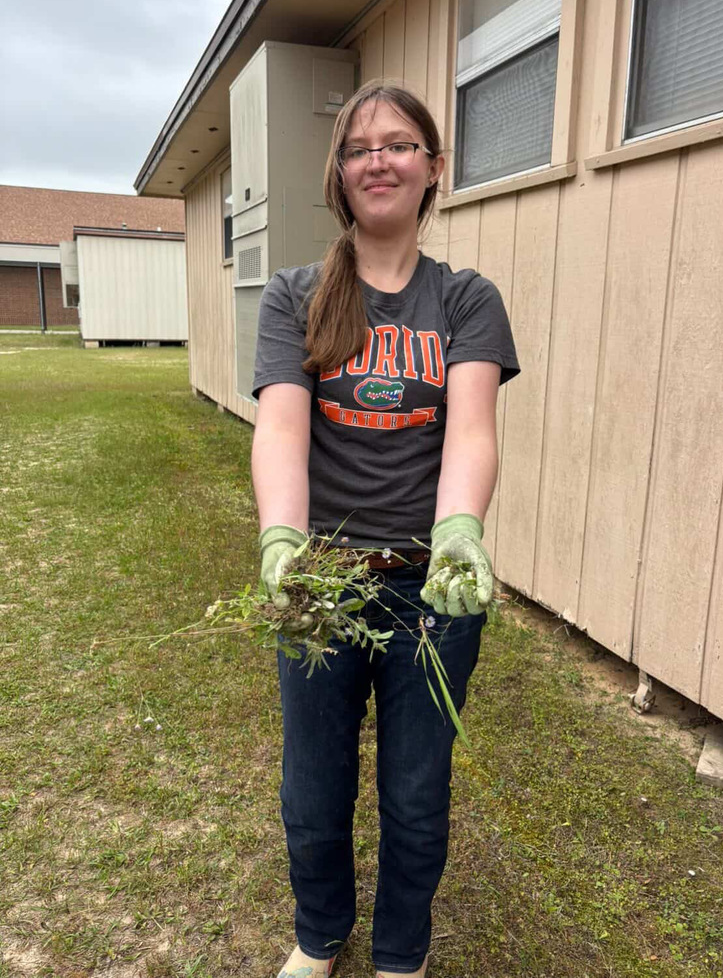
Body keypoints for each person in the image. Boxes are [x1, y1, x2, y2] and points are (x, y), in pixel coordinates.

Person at [251, 79, 519, 978]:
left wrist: (459, 532)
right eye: (360, 146)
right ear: (338, 172)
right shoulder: (293, 296)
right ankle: (318, 937)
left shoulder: (466, 299)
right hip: (319, 582)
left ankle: (400, 952)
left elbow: (471, 432)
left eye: (399, 143)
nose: (379, 159)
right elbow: (283, 429)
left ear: (433, 168)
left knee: (414, 788)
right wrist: (282, 543)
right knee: (313, 785)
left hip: (429, 588)